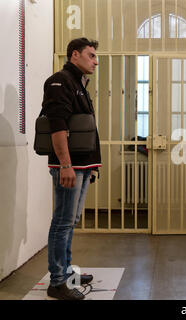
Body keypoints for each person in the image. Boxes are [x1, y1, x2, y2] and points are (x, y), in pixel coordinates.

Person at [41, 38, 101, 300]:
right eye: (91, 55)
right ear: (74, 55)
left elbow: (84, 129)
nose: (96, 61)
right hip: (70, 166)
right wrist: (65, 165)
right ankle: (57, 282)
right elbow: (57, 126)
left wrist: (92, 166)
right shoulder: (60, 81)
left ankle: (65, 272)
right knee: (62, 222)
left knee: (70, 221)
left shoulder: (78, 83)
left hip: (82, 165)